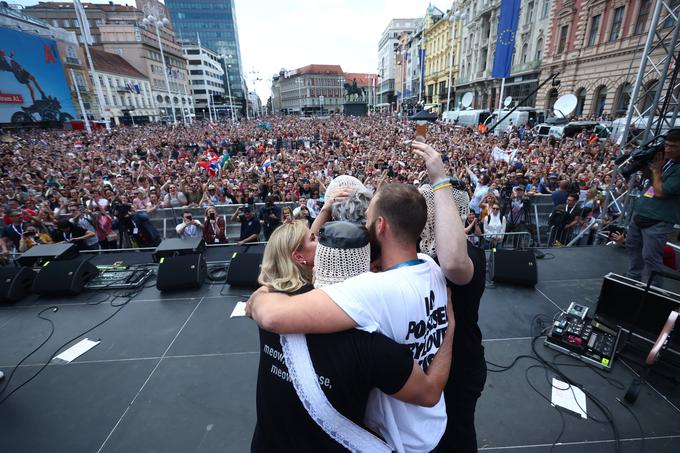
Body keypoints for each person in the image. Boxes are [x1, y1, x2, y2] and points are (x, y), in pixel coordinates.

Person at [247, 183, 452, 453]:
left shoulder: (362, 294)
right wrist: (450, 331)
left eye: (368, 218)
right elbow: (429, 392)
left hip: (275, 443)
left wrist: (260, 294)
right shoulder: (429, 267)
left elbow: (272, 315)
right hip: (424, 432)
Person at [411, 141, 483, 453]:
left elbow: (452, 262)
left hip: (458, 367)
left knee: (454, 436)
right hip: (421, 368)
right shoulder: (412, 253)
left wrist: (439, 180)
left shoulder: (470, 256)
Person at [626, 129, 680, 286]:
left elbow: (660, 192)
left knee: (650, 256)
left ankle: (653, 288)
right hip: (641, 213)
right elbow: (653, 185)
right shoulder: (666, 161)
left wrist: (656, 171)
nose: (668, 149)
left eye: (674, 146)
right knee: (632, 246)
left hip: (659, 220)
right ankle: (632, 279)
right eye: (667, 145)